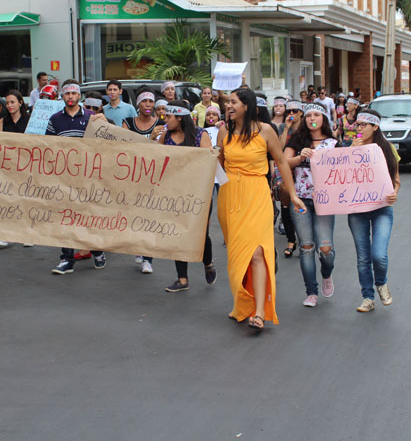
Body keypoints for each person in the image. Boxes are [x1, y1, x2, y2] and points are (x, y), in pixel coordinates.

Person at [217, 88, 305, 332]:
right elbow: (219, 165)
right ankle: (242, 303)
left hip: (257, 195)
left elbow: (281, 163)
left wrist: (293, 195)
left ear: (246, 105)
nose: (229, 106)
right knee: (237, 257)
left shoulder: (266, 131)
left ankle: (258, 313)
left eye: (233, 102)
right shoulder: (224, 131)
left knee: (257, 252)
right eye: (228, 103)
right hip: (230, 196)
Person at [47, 82, 108, 273]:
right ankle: (67, 259)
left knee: (89, 215)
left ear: (79, 96)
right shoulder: (55, 119)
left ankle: (97, 251)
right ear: (62, 97)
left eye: (74, 93)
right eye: (67, 93)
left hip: (89, 176)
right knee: (65, 217)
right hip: (64, 177)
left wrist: (105, 124)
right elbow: (47, 146)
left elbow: (105, 143)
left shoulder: (92, 117)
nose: (71, 96)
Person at [158, 100, 217, 291]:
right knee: (177, 232)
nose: (165, 120)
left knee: (200, 233)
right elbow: (155, 158)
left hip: (198, 193)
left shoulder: (201, 134)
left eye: (169, 116)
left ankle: (207, 263)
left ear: (180, 117)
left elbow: (207, 163)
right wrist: (153, 140)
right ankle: (182, 279)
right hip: (174, 193)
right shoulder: (166, 135)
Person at [284, 103, 338, 307]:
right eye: (308, 115)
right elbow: (283, 162)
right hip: (300, 199)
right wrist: (299, 157)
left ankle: (326, 274)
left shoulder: (334, 143)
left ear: (324, 119)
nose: (312, 118)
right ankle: (311, 292)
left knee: (325, 248)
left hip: (325, 201)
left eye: (317, 114)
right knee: (306, 247)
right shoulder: (297, 141)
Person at [348, 109, 400, 312]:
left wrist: (394, 192)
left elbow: (396, 180)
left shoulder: (387, 148)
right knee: (362, 256)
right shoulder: (351, 147)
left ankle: (381, 283)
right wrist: (351, 150)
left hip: (381, 207)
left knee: (378, 254)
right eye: (357, 125)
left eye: (363, 125)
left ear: (375, 127)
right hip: (357, 208)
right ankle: (367, 297)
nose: (358, 128)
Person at [122, 88, 166, 274]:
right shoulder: (128, 122)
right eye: (144, 102)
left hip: (152, 175)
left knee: (149, 215)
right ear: (138, 105)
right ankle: (138, 246)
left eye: (150, 102)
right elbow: (124, 146)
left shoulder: (160, 124)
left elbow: (163, 149)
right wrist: (148, 139)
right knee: (134, 214)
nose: (148, 105)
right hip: (132, 174)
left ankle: (148, 258)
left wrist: (156, 139)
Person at [0, 89, 33, 249]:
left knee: (26, 199)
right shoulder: (3, 121)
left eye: (12, 102)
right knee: (9, 199)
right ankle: (7, 234)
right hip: (9, 165)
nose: (10, 105)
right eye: (7, 102)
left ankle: (28, 234)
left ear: (20, 102)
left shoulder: (30, 119)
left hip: (27, 164)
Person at [276, 100, 303, 257]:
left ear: (301, 112)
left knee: (302, 201)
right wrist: (286, 127)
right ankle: (291, 240)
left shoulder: (306, 127)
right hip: (284, 165)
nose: (291, 114)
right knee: (285, 194)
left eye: (295, 111)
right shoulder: (282, 127)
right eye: (289, 111)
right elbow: (279, 148)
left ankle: (304, 239)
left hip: (302, 166)